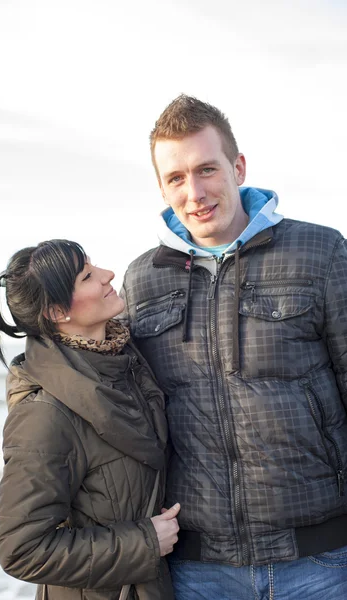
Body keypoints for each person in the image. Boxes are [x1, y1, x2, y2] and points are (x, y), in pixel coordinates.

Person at [119, 95, 347, 599]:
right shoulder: (142, 279)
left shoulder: (321, 251)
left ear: (237, 167)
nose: (194, 192)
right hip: (200, 568)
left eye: (207, 170)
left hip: (321, 559)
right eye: (176, 178)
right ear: (162, 187)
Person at [0, 239, 180, 600]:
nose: (108, 275)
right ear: (56, 312)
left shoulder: (128, 367)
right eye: (87, 276)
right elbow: (22, 550)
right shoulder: (44, 414)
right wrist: (146, 542)